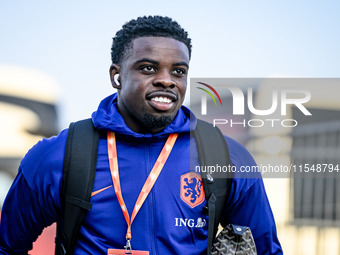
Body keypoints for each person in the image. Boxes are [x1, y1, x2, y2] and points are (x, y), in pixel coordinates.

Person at [0, 16, 282, 254]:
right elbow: (6, 247)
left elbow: (265, 249)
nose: (166, 79)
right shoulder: (60, 154)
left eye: (179, 71)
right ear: (116, 76)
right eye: (148, 68)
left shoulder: (225, 156)